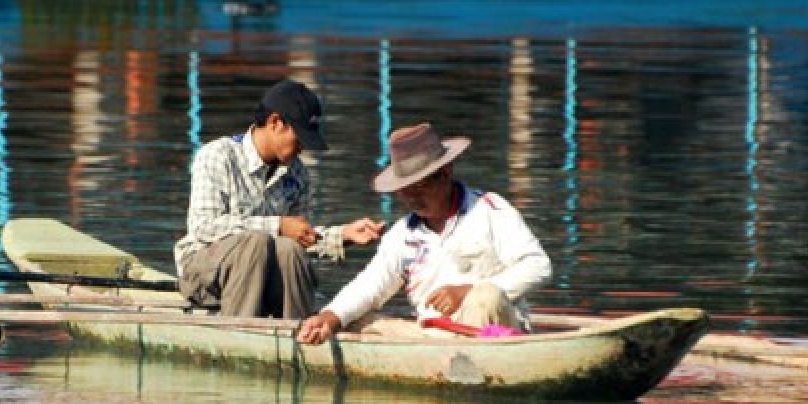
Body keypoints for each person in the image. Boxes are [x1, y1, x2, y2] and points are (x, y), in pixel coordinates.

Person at [297, 122, 552, 345]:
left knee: (485, 296)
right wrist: (330, 317)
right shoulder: (401, 235)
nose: (411, 197)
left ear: (446, 172)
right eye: (404, 189)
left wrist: (467, 291)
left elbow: (538, 265)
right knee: (354, 320)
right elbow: (371, 284)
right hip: (433, 338)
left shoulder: (489, 210)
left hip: (496, 335)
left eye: (419, 185)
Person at [174, 79, 384, 318]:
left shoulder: (298, 174)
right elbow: (204, 228)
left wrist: (343, 235)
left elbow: (298, 237)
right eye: (299, 139)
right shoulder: (217, 156)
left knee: (289, 249)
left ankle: (298, 335)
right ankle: (241, 334)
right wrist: (278, 226)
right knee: (257, 243)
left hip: (262, 274)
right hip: (203, 274)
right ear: (275, 123)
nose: (302, 149)